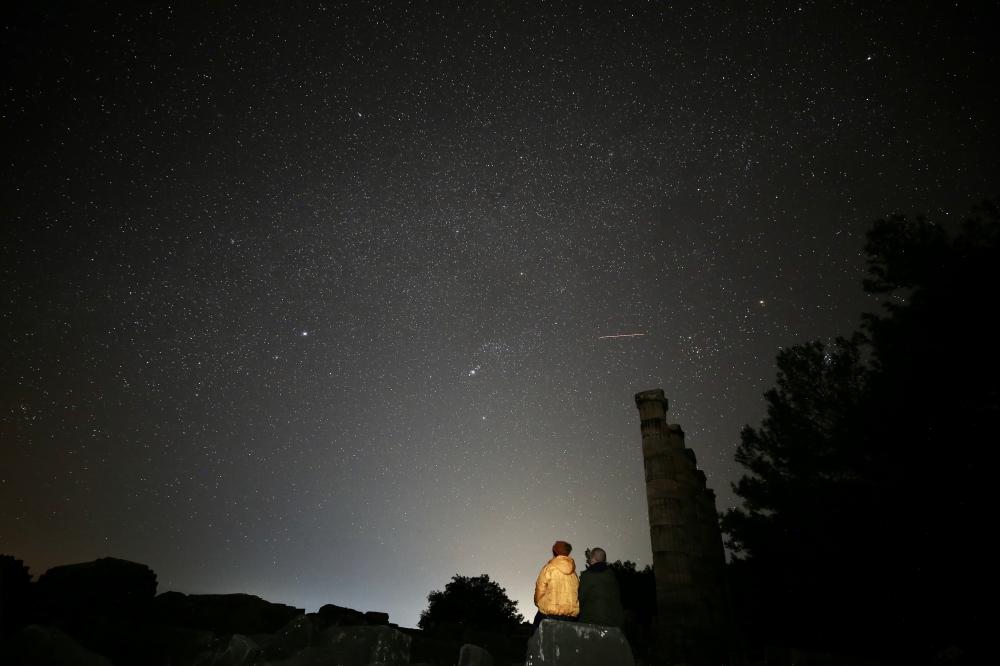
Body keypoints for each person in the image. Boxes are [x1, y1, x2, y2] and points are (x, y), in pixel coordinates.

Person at [532, 540, 580, 629]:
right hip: (570, 618)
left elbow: (539, 590)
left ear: (554, 552)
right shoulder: (574, 574)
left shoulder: (548, 568)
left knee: (535, 633)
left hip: (549, 615)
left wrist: (538, 603)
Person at [578, 546, 625, 628]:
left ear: (592, 559)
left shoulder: (586, 576)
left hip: (591, 621)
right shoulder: (612, 576)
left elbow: (581, 599)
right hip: (612, 623)